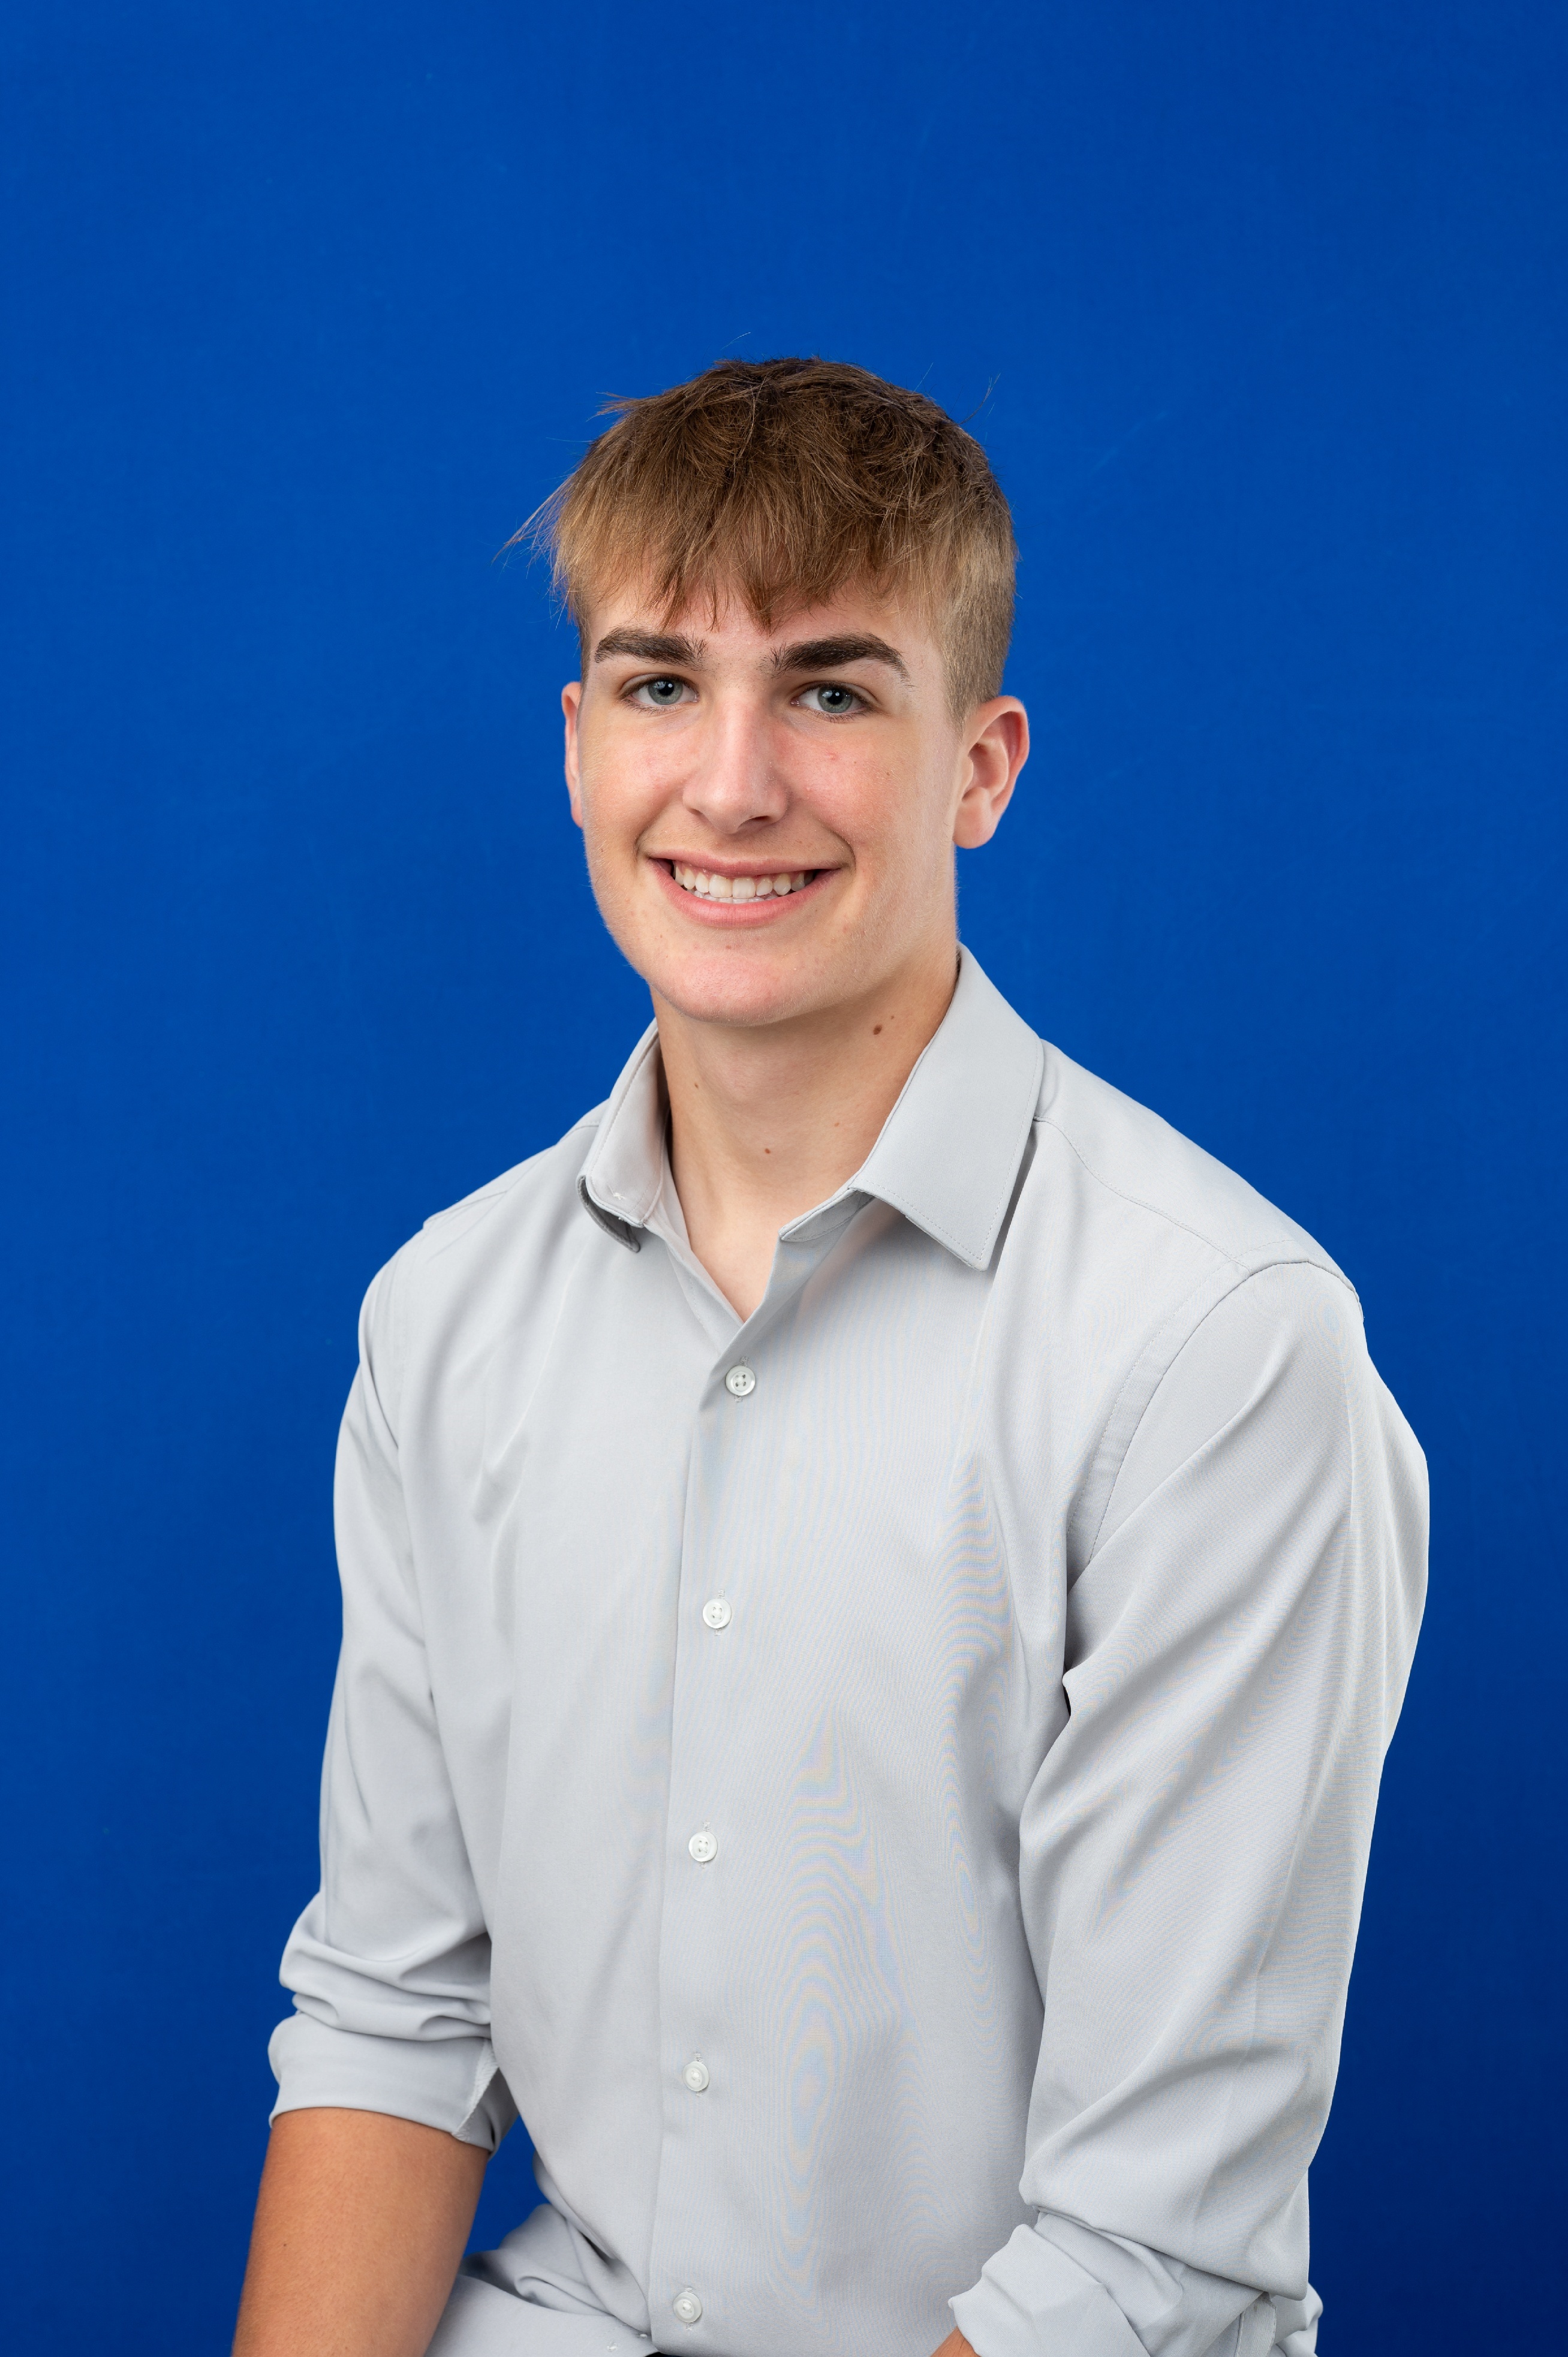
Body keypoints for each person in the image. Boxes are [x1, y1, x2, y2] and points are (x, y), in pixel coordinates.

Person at [232, 357, 1426, 2357]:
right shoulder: (446, 1318)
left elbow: (1143, 2264)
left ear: (983, 765)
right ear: (577, 746)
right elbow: (396, 2019)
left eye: (833, 692)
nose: (731, 784)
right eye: (661, 683)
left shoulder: (1214, 1350)